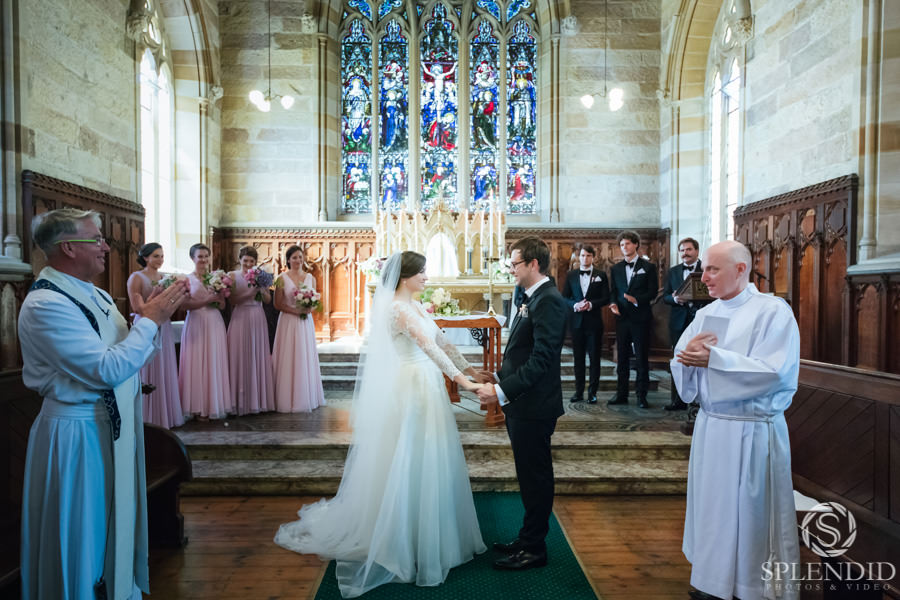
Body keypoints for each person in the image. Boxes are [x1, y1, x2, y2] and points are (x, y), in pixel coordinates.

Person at [274, 251, 486, 598]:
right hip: (412, 385)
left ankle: (426, 530)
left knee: (430, 456)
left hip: (427, 384)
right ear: (405, 277)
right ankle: (403, 538)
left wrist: (472, 369)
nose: (427, 278)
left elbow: (442, 342)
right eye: (422, 273)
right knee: (410, 455)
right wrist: (465, 383)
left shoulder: (416, 306)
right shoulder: (397, 309)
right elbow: (427, 347)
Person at [18, 208, 188, 600]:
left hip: (109, 427)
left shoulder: (93, 294)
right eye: (96, 239)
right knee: (81, 532)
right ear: (68, 248)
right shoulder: (47, 304)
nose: (106, 247)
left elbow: (126, 358)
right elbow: (105, 370)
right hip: (76, 434)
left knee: (109, 526)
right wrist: (150, 321)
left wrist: (149, 322)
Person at [671, 240, 800, 600]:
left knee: (749, 514)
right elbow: (682, 358)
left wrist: (715, 360)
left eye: (712, 269)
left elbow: (775, 372)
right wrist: (686, 358)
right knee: (713, 508)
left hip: (751, 431)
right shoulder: (707, 313)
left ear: (741, 269)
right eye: (704, 269)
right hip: (712, 427)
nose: (703, 278)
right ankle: (711, 581)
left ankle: (751, 588)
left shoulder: (773, 312)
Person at [475, 236, 567, 571]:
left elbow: (542, 361)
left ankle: (534, 549)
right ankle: (527, 538)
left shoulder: (549, 300)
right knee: (528, 476)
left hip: (534, 406)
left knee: (536, 477)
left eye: (514, 264)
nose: (510, 270)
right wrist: (500, 376)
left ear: (533, 264)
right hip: (523, 402)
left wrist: (500, 392)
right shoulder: (532, 296)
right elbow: (523, 352)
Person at [127, 242, 184, 428]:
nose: (160, 260)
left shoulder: (164, 278)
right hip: (146, 324)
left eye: (162, 256)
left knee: (165, 366)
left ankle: (165, 415)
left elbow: (171, 303)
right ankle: (147, 416)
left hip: (164, 324)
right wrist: (155, 294)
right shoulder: (137, 277)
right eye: (156, 256)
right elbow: (138, 308)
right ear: (145, 258)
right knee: (149, 365)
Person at [179, 243, 232, 419]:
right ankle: (195, 407)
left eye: (206, 256)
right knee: (195, 361)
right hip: (196, 321)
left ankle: (212, 406)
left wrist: (218, 299)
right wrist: (207, 300)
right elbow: (184, 305)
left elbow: (222, 305)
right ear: (192, 258)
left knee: (213, 361)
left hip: (214, 322)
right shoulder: (186, 279)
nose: (203, 260)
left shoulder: (216, 278)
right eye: (200, 256)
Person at [607, 231, 658, 409]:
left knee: (641, 357)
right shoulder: (616, 269)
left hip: (641, 317)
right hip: (622, 318)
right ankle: (621, 393)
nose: (624, 247)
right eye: (622, 245)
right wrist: (613, 303)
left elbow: (653, 291)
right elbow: (613, 291)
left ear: (636, 244)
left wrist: (637, 300)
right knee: (622, 358)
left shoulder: (648, 267)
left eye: (627, 243)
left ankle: (641, 395)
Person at [272, 245, 325, 413]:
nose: (298, 260)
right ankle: (285, 398)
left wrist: (310, 309)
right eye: (294, 257)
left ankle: (306, 396)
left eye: (300, 257)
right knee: (288, 356)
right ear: (288, 260)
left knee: (304, 356)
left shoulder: (310, 278)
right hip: (288, 322)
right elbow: (277, 304)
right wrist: (296, 311)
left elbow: (315, 300)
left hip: (304, 323)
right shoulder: (281, 278)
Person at [227, 245, 275, 415]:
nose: (248, 264)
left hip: (257, 316)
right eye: (245, 260)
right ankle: (237, 401)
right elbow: (232, 301)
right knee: (239, 355)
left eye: (252, 261)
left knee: (257, 355)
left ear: (256, 262)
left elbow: (268, 300)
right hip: (240, 316)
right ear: (239, 260)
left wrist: (261, 289)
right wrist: (250, 293)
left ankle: (258, 400)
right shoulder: (232, 276)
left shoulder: (260, 275)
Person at [562, 245, 610, 404]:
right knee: (578, 359)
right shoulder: (571, 275)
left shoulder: (601, 275)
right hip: (576, 323)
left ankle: (592, 393)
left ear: (593, 257)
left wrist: (591, 304)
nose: (585, 258)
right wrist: (575, 305)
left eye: (588, 255)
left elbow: (606, 298)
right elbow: (565, 298)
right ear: (579, 257)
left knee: (595, 359)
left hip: (594, 323)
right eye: (582, 255)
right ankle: (578, 392)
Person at [662, 237, 702, 411]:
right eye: (682, 250)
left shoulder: (706, 268)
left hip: (700, 320)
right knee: (679, 359)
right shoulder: (673, 271)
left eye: (689, 249)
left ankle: (700, 399)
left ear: (697, 251)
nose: (685, 253)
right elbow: (665, 296)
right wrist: (675, 299)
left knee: (700, 359)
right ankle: (678, 400)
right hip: (678, 321)